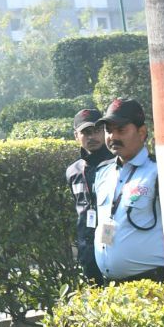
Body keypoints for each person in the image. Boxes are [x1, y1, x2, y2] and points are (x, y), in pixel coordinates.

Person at [92, 98, 164, 283]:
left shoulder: (159, 171)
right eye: (109, 130)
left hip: (152, 282)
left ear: (142, 132)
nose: (113, 137)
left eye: (121, 130)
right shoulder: (102, 172)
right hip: (111, 284)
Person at [66, 108, 111, 285]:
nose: (92, 137)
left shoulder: (117, 163)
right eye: (86, 132)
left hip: (113, 245)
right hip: (87, 251)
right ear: (76, 136)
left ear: (105, 131)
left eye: (97, 130)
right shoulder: (73, 171)